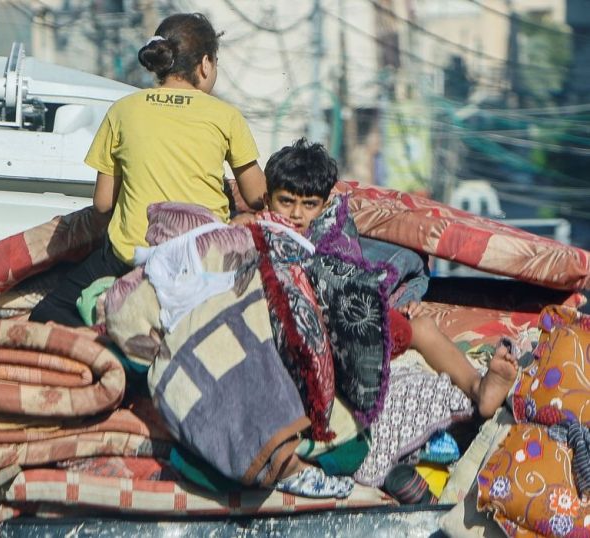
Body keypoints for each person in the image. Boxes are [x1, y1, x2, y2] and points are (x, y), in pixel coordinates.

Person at [30, 13, 266, 327]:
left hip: (129, 257)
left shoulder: (123, 110)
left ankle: (103, 341)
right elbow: (258, 196)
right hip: (200, 260)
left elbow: (103, 203)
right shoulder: (226, 116)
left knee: (45, 313)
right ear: (205, 64)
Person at [263, 138, 518, 420]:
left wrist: (393, 307)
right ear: (267, 200)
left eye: (309, 204)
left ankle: (478, 388)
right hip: (295, 332)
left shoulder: (335, 237)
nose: (296, 214)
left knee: (421, 327)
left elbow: (356, 285)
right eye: (286, 202)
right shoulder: (257, 234)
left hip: (348, 331)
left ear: (324, 207)